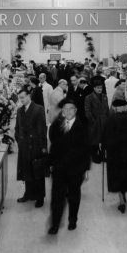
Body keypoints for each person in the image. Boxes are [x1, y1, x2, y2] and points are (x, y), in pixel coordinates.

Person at [48, 98, 90, 234]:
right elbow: (53, 144)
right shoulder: (57, 125)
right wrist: (50, 163)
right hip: (59, 168)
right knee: (56, 197)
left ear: (76, 110)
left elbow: (86, 149)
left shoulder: (82, 126)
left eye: (71, 108)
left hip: (75, 169)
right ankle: (55, 224)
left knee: (73, 196)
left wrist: (86, 169)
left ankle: (73, 220)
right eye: (65, 109)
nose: (67, 111)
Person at [102, 98, 127, 213]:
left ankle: (121, 199)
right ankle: (123, 195)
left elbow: (105, 138)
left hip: (114, 154)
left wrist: (103, 150)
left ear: (114, 108)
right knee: (126, 174)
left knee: (116, 175)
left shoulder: (109, 120)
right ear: (125, 107)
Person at [15, 86, 47, 208]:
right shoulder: (19, 110)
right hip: (24, 145)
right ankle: (28, 193)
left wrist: (43, 147)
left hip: (35, 146)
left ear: (29, 96)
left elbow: (42, 129)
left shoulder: (38, 109)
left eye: (23, 97)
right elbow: (17, 127)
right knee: (26, 171)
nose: (21, 100)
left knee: (37, 172)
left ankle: (40, 197)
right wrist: (18, 139)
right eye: (20, 98)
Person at [84, 78, 110, 163]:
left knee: (104, 140)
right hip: (94, 122)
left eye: (101, 88)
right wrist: (93, 121)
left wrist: (108, 119)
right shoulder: (89, 97)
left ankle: (103, 155)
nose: (100, 89)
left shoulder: (105, 96)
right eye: (98, 88)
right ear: (94, 88)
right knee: (94, 141)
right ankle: (94, 156)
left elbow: (107, 109)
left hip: (104, 121)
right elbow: (87, 111)